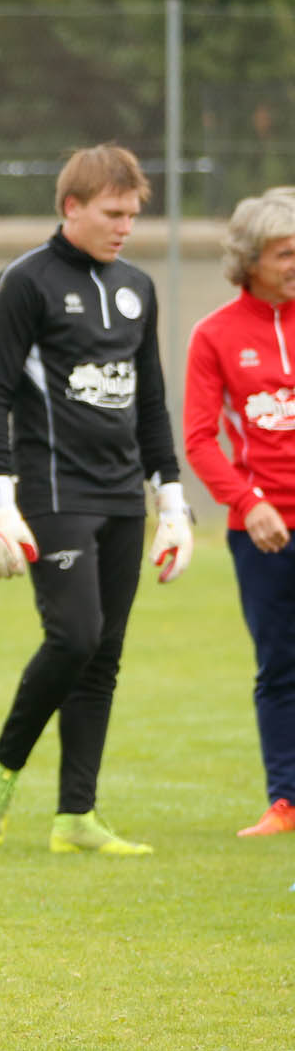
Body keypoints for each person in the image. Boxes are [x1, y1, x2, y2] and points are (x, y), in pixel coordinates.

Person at [0, 144, 191, 857]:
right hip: (55, 491)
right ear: (73, 207)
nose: (125, 226)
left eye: (133, 214)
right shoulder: (25, 281)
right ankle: (1, 770)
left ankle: (76, 816)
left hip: (123, 493)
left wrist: (173, 496)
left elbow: (150, 397)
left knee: (106, 652)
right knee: (74, 636)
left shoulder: (137, 287)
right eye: (113, 212)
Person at [182, 188, 295, 837]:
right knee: (279, 665)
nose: (294, 262)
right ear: (251, 259)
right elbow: (199, 436)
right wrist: (248, 503)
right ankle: (286, 801)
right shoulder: (215, 334)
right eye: (285, 253)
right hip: (263, 534)